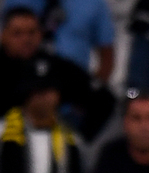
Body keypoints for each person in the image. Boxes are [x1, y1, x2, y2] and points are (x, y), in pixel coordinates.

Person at [0, 6, 114, 139]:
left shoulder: (53, 66)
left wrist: (79, 139)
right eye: (17, 33)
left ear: (40, 34)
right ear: (3, 35)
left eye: (32, 32)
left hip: (49, 145)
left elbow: (103, 99)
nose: (26, 39)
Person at [1, 0, 115, 81]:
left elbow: (107, 56)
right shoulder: (16, 2)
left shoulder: (93, 4)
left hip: (73, 92)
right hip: (18, 90)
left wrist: (88, 94)